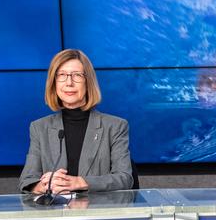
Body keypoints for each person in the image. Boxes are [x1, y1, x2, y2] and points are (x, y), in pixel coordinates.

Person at [20, 49, 133, 194]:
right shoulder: (39, 127)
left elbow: (125, 178)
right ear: (53, 82)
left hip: (98, 212)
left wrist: (79, 182)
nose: (69, 83)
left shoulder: (115, 126)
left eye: (77, 75)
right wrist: (44, 186)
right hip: (55, 214)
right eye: (61, 75)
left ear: (88, 81)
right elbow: (27, 180)